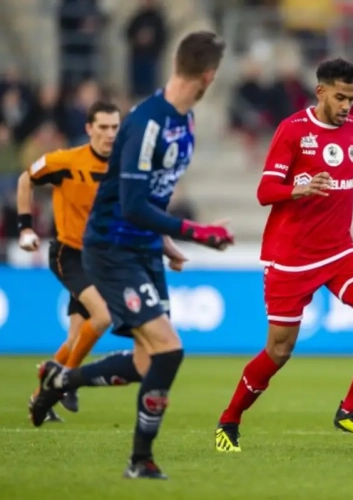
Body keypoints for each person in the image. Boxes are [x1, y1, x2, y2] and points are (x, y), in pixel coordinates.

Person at [29, 31, 234, 479]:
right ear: (208, 75)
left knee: (148, 362)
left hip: (145, 250)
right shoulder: (148, 123)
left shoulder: (186, 122)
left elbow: (155, 197)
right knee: (169, 350)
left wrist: (168, 244)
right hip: (112, 248)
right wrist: (195, 231)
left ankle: (62, 377)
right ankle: (140, 461)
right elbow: (133, 205)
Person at [214, 58, 353, 453]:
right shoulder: (293, 131)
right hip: (290, 258)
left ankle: (349, 409)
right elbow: (265, 191)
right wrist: (299, 187)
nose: (347, 106)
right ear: (321, 92)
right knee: (279, 351)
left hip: (339, 250)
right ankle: (229, 419)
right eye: (341, 97)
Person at [17, 101, 120, 421]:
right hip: (69, 254)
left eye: (115, 127)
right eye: (102, 127)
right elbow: (26, 178)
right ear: (89, 129)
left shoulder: (120, 167)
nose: (109, 134)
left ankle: (41, 397)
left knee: (76, 338)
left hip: (100, 257)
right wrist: (25, 227)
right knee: (102, 318)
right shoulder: (67, 161)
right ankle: (67, 379)